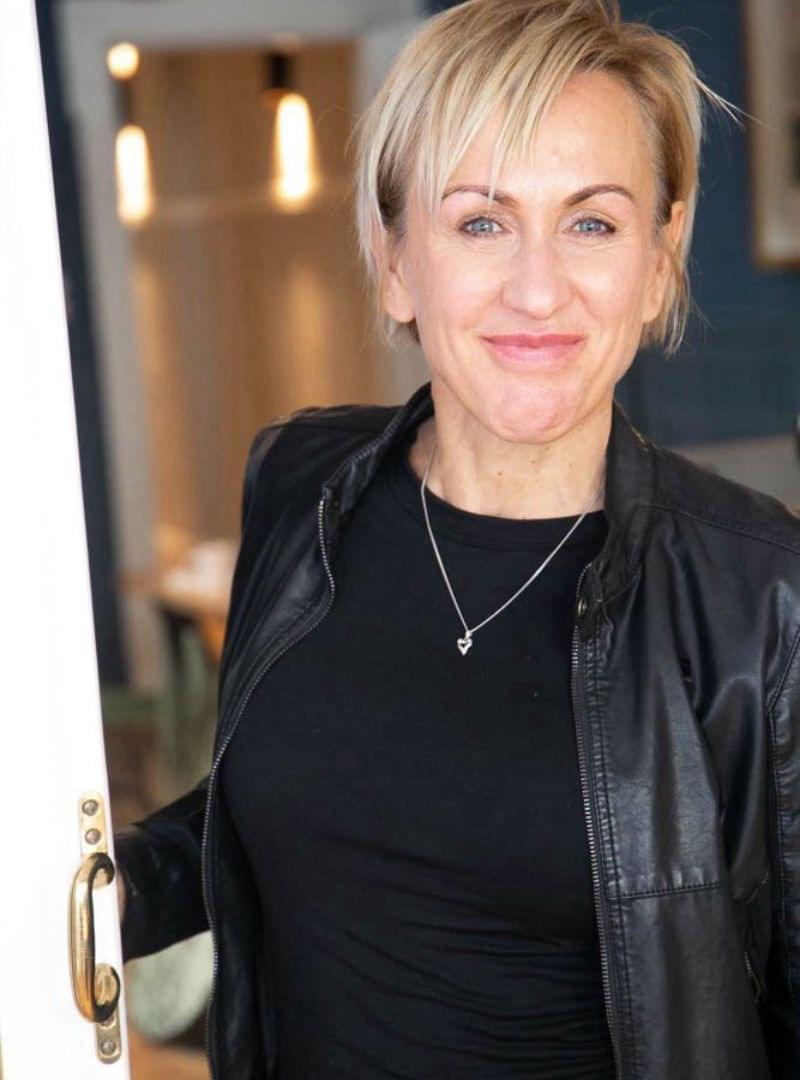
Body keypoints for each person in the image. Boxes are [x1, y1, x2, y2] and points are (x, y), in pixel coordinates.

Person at [115, 1, 800, 1076]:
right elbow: (287, 792)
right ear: (393, 258)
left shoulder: (759, 594)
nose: (538, 289)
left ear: (660, 262)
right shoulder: (300, 485)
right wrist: (102, 891)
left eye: (591, 223)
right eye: (481, 221)